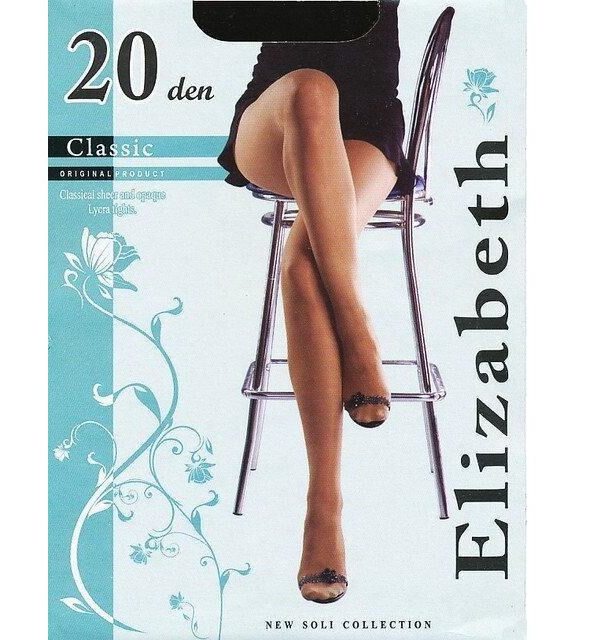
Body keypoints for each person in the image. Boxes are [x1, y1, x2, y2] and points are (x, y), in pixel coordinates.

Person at [218, 0, 409, 604]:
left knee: (303, 268)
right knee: (310, 86)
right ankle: (356, 327)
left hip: (367, 129)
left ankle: (323, 507)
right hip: (276, 118)